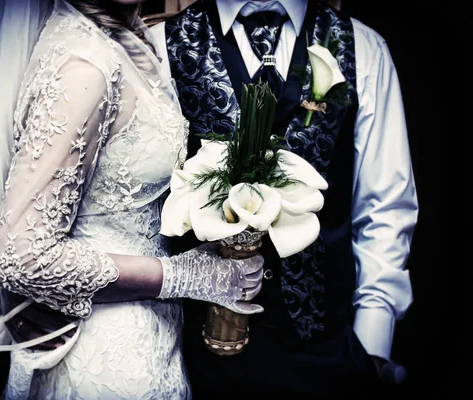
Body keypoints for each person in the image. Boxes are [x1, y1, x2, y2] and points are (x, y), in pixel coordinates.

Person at [0, 0, 265, 399]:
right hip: (102, 354)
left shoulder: (130, 39)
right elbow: (20, 256)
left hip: (147, 337)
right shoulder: (84, 64)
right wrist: (183, 276)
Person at [146, 0, 419, 397]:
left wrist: (369, 350)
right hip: (196, 358)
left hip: (327, 356)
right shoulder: (158, 47)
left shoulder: (363, 47)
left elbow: (385, 208)